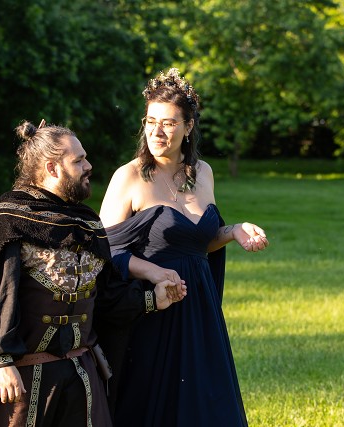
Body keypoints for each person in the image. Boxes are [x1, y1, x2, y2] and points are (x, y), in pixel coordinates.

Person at [0, 120, 186, 427]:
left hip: (82, 377)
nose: (88, 166)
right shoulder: (10, 220)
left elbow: (105, 296)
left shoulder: (87, 223)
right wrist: (0, 361)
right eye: (78, 161)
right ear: (52, 168)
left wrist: (152, 298)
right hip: (23, 380)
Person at [98, 68, 269, 427]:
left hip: (199, 307)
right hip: (152, 308)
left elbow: (196, 241)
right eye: (150, 122)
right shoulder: (128, 177)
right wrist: (153, 272)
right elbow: (103, 251)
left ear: (188, 127)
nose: (157, 132)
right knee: (151, 407)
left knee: (206, 404)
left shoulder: (202, 173)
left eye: (169, 123)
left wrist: (234, 231)